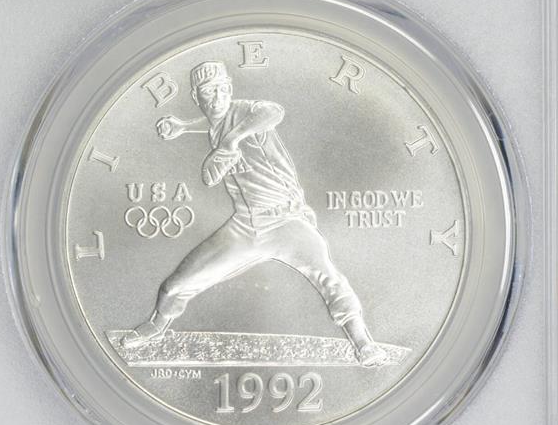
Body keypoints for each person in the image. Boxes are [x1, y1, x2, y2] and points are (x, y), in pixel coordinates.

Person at [122, 60, 385, 366]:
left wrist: (232, 140)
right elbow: (214, 123)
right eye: (209, 91)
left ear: (230, 89)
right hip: (245, 227)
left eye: (222, 89)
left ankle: (364, 343)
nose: (217, 96)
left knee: (329, 278)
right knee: (173, 286)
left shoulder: (247, 113)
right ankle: (156, 326)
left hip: (287, 221)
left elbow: (273, 112)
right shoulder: (217, 121)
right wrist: (183, 126)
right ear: (197, 97)